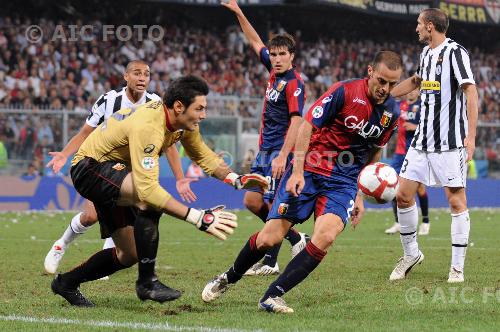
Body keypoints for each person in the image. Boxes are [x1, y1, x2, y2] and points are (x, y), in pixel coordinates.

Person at [202, 51, 403, 313]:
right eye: (381, 81)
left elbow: (374, 152)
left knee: (326, 236)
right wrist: (296, 172)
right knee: (269, 238)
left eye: (392, 84)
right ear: (370, 72)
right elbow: (306, 125)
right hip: (310, 167)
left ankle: (272, 295)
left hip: (343, 181)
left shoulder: (391, 112)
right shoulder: (344, 92)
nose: (385, 89)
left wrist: (361, 194)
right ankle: (228, 277)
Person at [51, 75, 268, 307]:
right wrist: (197, 217)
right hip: (90, 167)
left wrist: (236, 179)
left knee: (129, 255)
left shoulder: (182, 121)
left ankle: (66, 283)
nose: (203, 115)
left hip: (117, 172)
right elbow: (147, 191)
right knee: (149, 200)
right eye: (200, 108)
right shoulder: (149, 126)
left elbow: (202, 153)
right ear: (178, 107)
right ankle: (147, 283)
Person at [44, 60, 197, 275]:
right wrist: (64, 154)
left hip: (135, 168)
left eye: (146, 74)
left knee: (135, 209)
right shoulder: (109, 100)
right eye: (137, 73)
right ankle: (61, 244)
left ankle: (120, 262)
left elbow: (169, 143)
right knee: (90, 216)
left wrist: (180, 177)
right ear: (126, 77)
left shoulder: (156, 103)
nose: (142, 77)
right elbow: (86, 133)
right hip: (103, 166)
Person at [388, 8, 478, 283]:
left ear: (430, 26)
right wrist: (386, 94)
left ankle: (457, 268)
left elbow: (471, 91)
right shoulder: (426, 54)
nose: (416, 28)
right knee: (402, 194)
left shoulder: (456, 52)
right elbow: (417, 81)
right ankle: (411, 253)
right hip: (421, 141)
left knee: (455, 201)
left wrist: (471, 136)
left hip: (450, 143)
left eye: (418, 24)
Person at [223, 0, 308, 276]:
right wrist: (239, 12)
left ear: (291, 56)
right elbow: (254, 40)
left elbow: (297, 120)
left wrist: (283, 156)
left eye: (282, 54)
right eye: (273, 54)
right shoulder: (273, 72)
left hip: (278, 153)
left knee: (272, 206)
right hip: (264, 151)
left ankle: (271, 261)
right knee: (252, 201)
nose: (276, 58)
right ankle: (295, 238)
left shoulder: (294, 84)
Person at [385, 89, 430, 235]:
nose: (410, 92)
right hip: (399, 153)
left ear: (418, 92)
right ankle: (398, 222)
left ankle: (425, 222)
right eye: (409, 90)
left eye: (414, 90)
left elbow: (430, 128)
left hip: (416, 153)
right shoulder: (400, 105)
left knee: (420, 188)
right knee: (393, 186)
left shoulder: (423, 106)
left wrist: (415, 127)